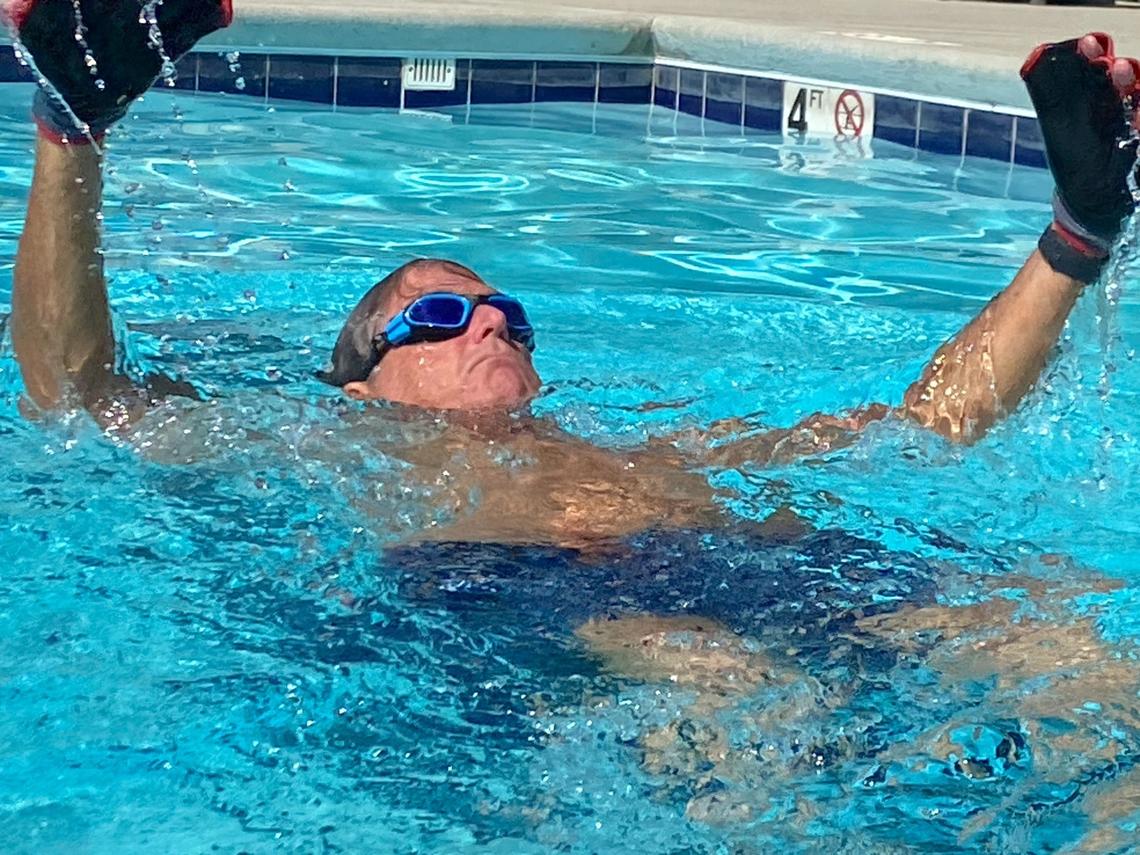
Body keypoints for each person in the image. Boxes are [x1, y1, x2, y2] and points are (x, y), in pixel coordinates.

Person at [6, 2, 1139, 839]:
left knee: (1073, 649)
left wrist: (1076, 238)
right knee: (726, 685)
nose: (489, 326)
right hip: (527, 596)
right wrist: (70, 144)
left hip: (747, 562)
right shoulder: (327, 441)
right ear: (359, 378)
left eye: (510, 315)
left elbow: (928, 424)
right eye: (440, 315)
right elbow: (78, 395)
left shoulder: (661, 449)